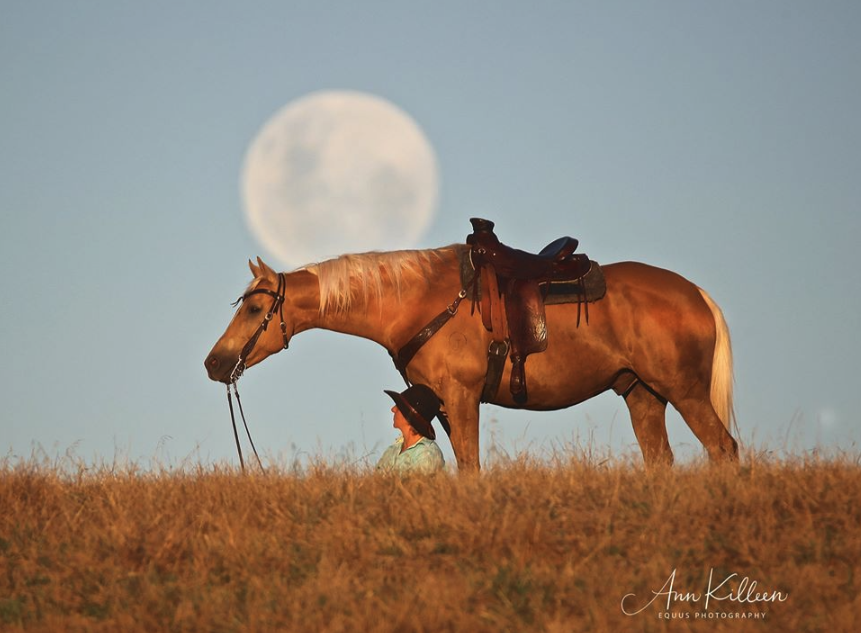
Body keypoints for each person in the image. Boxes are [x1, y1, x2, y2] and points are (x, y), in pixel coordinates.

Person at [376, 384, 446, 474]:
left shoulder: (427, 454)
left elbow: (417, 487)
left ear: (408, 416)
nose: (393, 409)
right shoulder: (392, 450)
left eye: (399, 406)